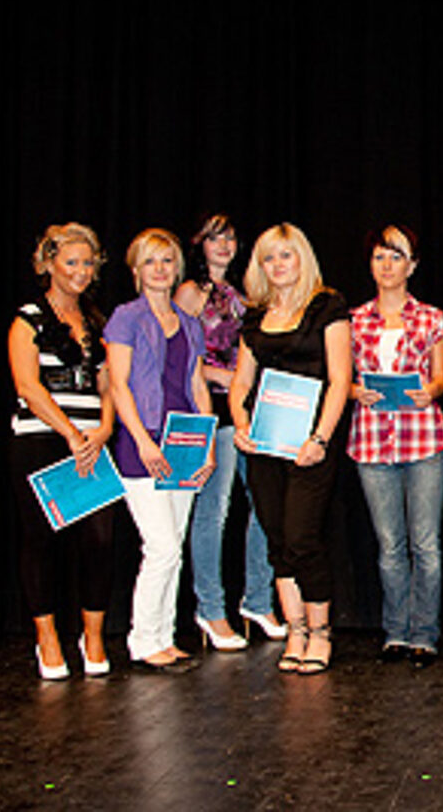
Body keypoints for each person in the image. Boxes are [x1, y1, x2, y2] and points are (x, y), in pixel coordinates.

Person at [230, 223, 352, 675]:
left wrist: (320, 438)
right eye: (268, 258)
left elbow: (340, 380)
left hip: (309, 446)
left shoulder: (328, 307)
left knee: (303, 538)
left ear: (302, 259)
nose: (278, 266)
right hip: (264, 445)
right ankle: (295, 630)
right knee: (278, 541)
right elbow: (242, 382)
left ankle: (320, 633)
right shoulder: (254, 316)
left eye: (286, 256)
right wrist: (242, 425)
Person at [7, 223, 116, 680]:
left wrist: (104, 428)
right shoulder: (27, 319)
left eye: (87, 262)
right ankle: (47, 638)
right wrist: (70, 433)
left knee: (100, 541)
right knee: (41, 542)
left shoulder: (96, 320)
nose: (80, 271)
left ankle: (92, 635)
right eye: (71, 262)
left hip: (91, 443)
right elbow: (28, 387)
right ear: (48, 263)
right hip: (42, 440)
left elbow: (109, 385)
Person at [105, 228, 215, 671]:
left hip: (183, 442)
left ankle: (163, 638)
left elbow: (196, 384)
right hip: (142, 444)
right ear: (136, 270)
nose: (160, 269)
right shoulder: (126, 318)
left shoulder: (189, 323)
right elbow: (118, 385)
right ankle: (141, 638)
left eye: (167, 261)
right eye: (151, 261)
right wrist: (144, 441)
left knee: (176, 544)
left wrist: (206, 443)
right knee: (162, 546)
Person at [175, 214, 285, 651]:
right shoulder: (190, 293)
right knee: (214, 512)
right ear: (199, 245)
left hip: (251, 410)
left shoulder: (244, 294)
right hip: (212, 410)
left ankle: (258, 598)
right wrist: (226, 377)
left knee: (265, 505)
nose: (223, 245)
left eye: (230, 236)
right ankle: (211, 609)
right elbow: (179, 357)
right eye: (214, 238)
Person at [348, 225, 443, 668]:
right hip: (372, 442)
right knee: (389, 545)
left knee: (425, 544)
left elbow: (442, 377)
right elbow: (340, 379)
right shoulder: (352, 320)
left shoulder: (432, 318)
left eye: (396, 257)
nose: (387, 266)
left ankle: (424, 634)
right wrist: (356, 392)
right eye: (379, 257)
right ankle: (395, 631)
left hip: (423, 439)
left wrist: (432, 390)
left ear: (413, 265)